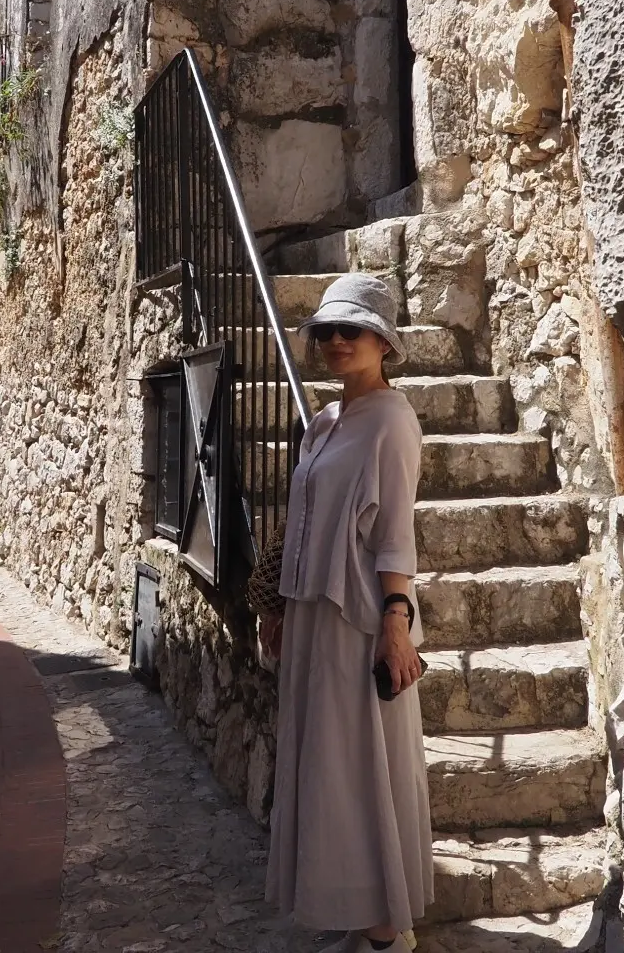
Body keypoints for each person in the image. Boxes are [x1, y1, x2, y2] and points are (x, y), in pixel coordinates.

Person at [263, 274, 432, 953]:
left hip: (360, 617)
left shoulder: (393, 421)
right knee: (326, 768)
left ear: (382, 341)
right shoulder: (325, 423)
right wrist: (276, 602)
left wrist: (397, 623)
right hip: (310, 617)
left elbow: (395, 531)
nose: (336, 341)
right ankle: (356, 912)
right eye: (326, 331)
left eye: (351, 331)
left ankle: (387, 929)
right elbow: (300, 525)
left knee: (363, 769)